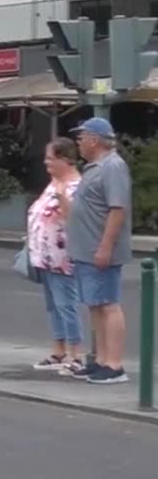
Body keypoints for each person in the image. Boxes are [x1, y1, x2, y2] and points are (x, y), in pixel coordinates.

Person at [65, 117, 132, 385]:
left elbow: (117, 209)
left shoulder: (113, 167)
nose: (78, 144)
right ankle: (102, 360)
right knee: (95, 304)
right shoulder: (95, 167)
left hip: (99, 249)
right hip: (87, 249)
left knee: (108, 304)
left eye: (80, 139)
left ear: (94, 139)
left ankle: (114, 364)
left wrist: (105, 246)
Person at [25, 137, 83, 372]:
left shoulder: (76, 187)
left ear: (65, 159)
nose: (45, 162)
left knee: (66, 304)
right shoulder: (54, 182)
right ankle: (58, 350)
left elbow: (75, 220)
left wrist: (61, 196)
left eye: (50, 158)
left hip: (63, 257)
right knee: (53, 305)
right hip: (45, 256)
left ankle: (76, 355)